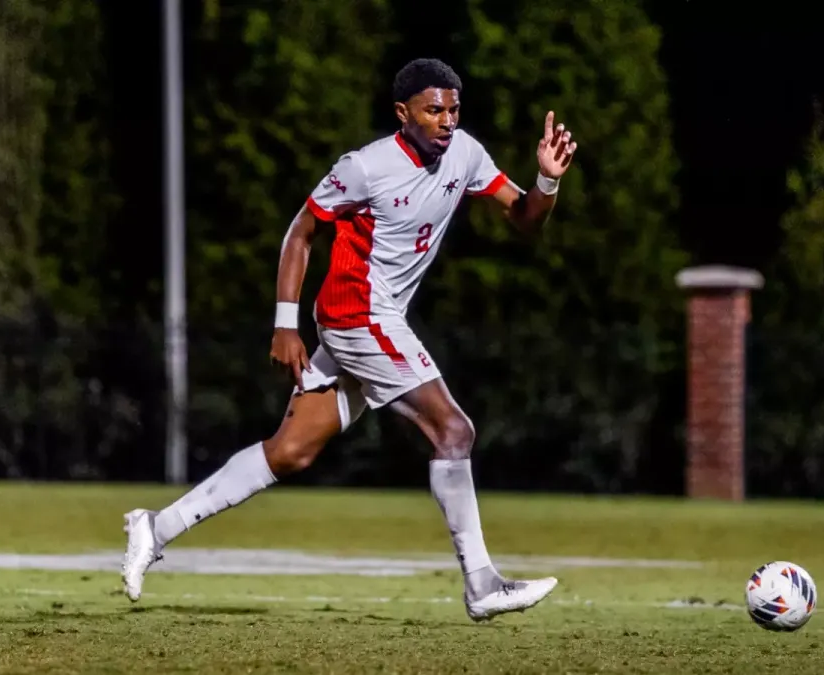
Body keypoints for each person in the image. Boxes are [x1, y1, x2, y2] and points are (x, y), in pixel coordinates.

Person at [121, 58, 578, 622]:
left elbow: (526, 219)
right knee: (454, 430)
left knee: (290, 452)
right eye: (434, 110)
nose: (446, 120)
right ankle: (482, 584)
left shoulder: (467, 153)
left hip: (375, 317)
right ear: (402, 114)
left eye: (454, 109)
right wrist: (284, 323)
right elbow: (301, 231)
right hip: (355, 313)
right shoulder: (367, 166)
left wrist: (547, 178)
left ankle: (154, 527)